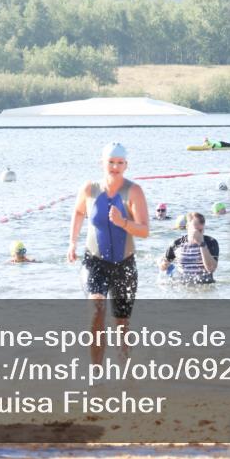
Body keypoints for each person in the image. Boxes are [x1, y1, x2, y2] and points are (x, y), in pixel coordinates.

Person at [67, 142, 150, 365]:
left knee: (121, 325)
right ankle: (96, 372)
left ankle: (125, 372)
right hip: (95, 263)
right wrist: (72, 243)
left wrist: (123, 222)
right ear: (102, 163)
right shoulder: (89, 189)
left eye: (119, 163)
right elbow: (77, 212)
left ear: (126, 165)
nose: (115, 167)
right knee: (97, 310)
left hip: (124, 265)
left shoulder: (133, 191)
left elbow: (144, 230)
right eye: (111, 162)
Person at [159, 212, 220, 284]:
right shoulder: (177, 244)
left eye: (201, 230)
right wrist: (163, 264)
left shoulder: (211, 242)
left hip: (205, 286)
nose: (199, 233)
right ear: (187, 226)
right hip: (183, 286)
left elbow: (211, 268)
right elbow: (163, 266)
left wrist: (201, 244)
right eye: (196, 229)